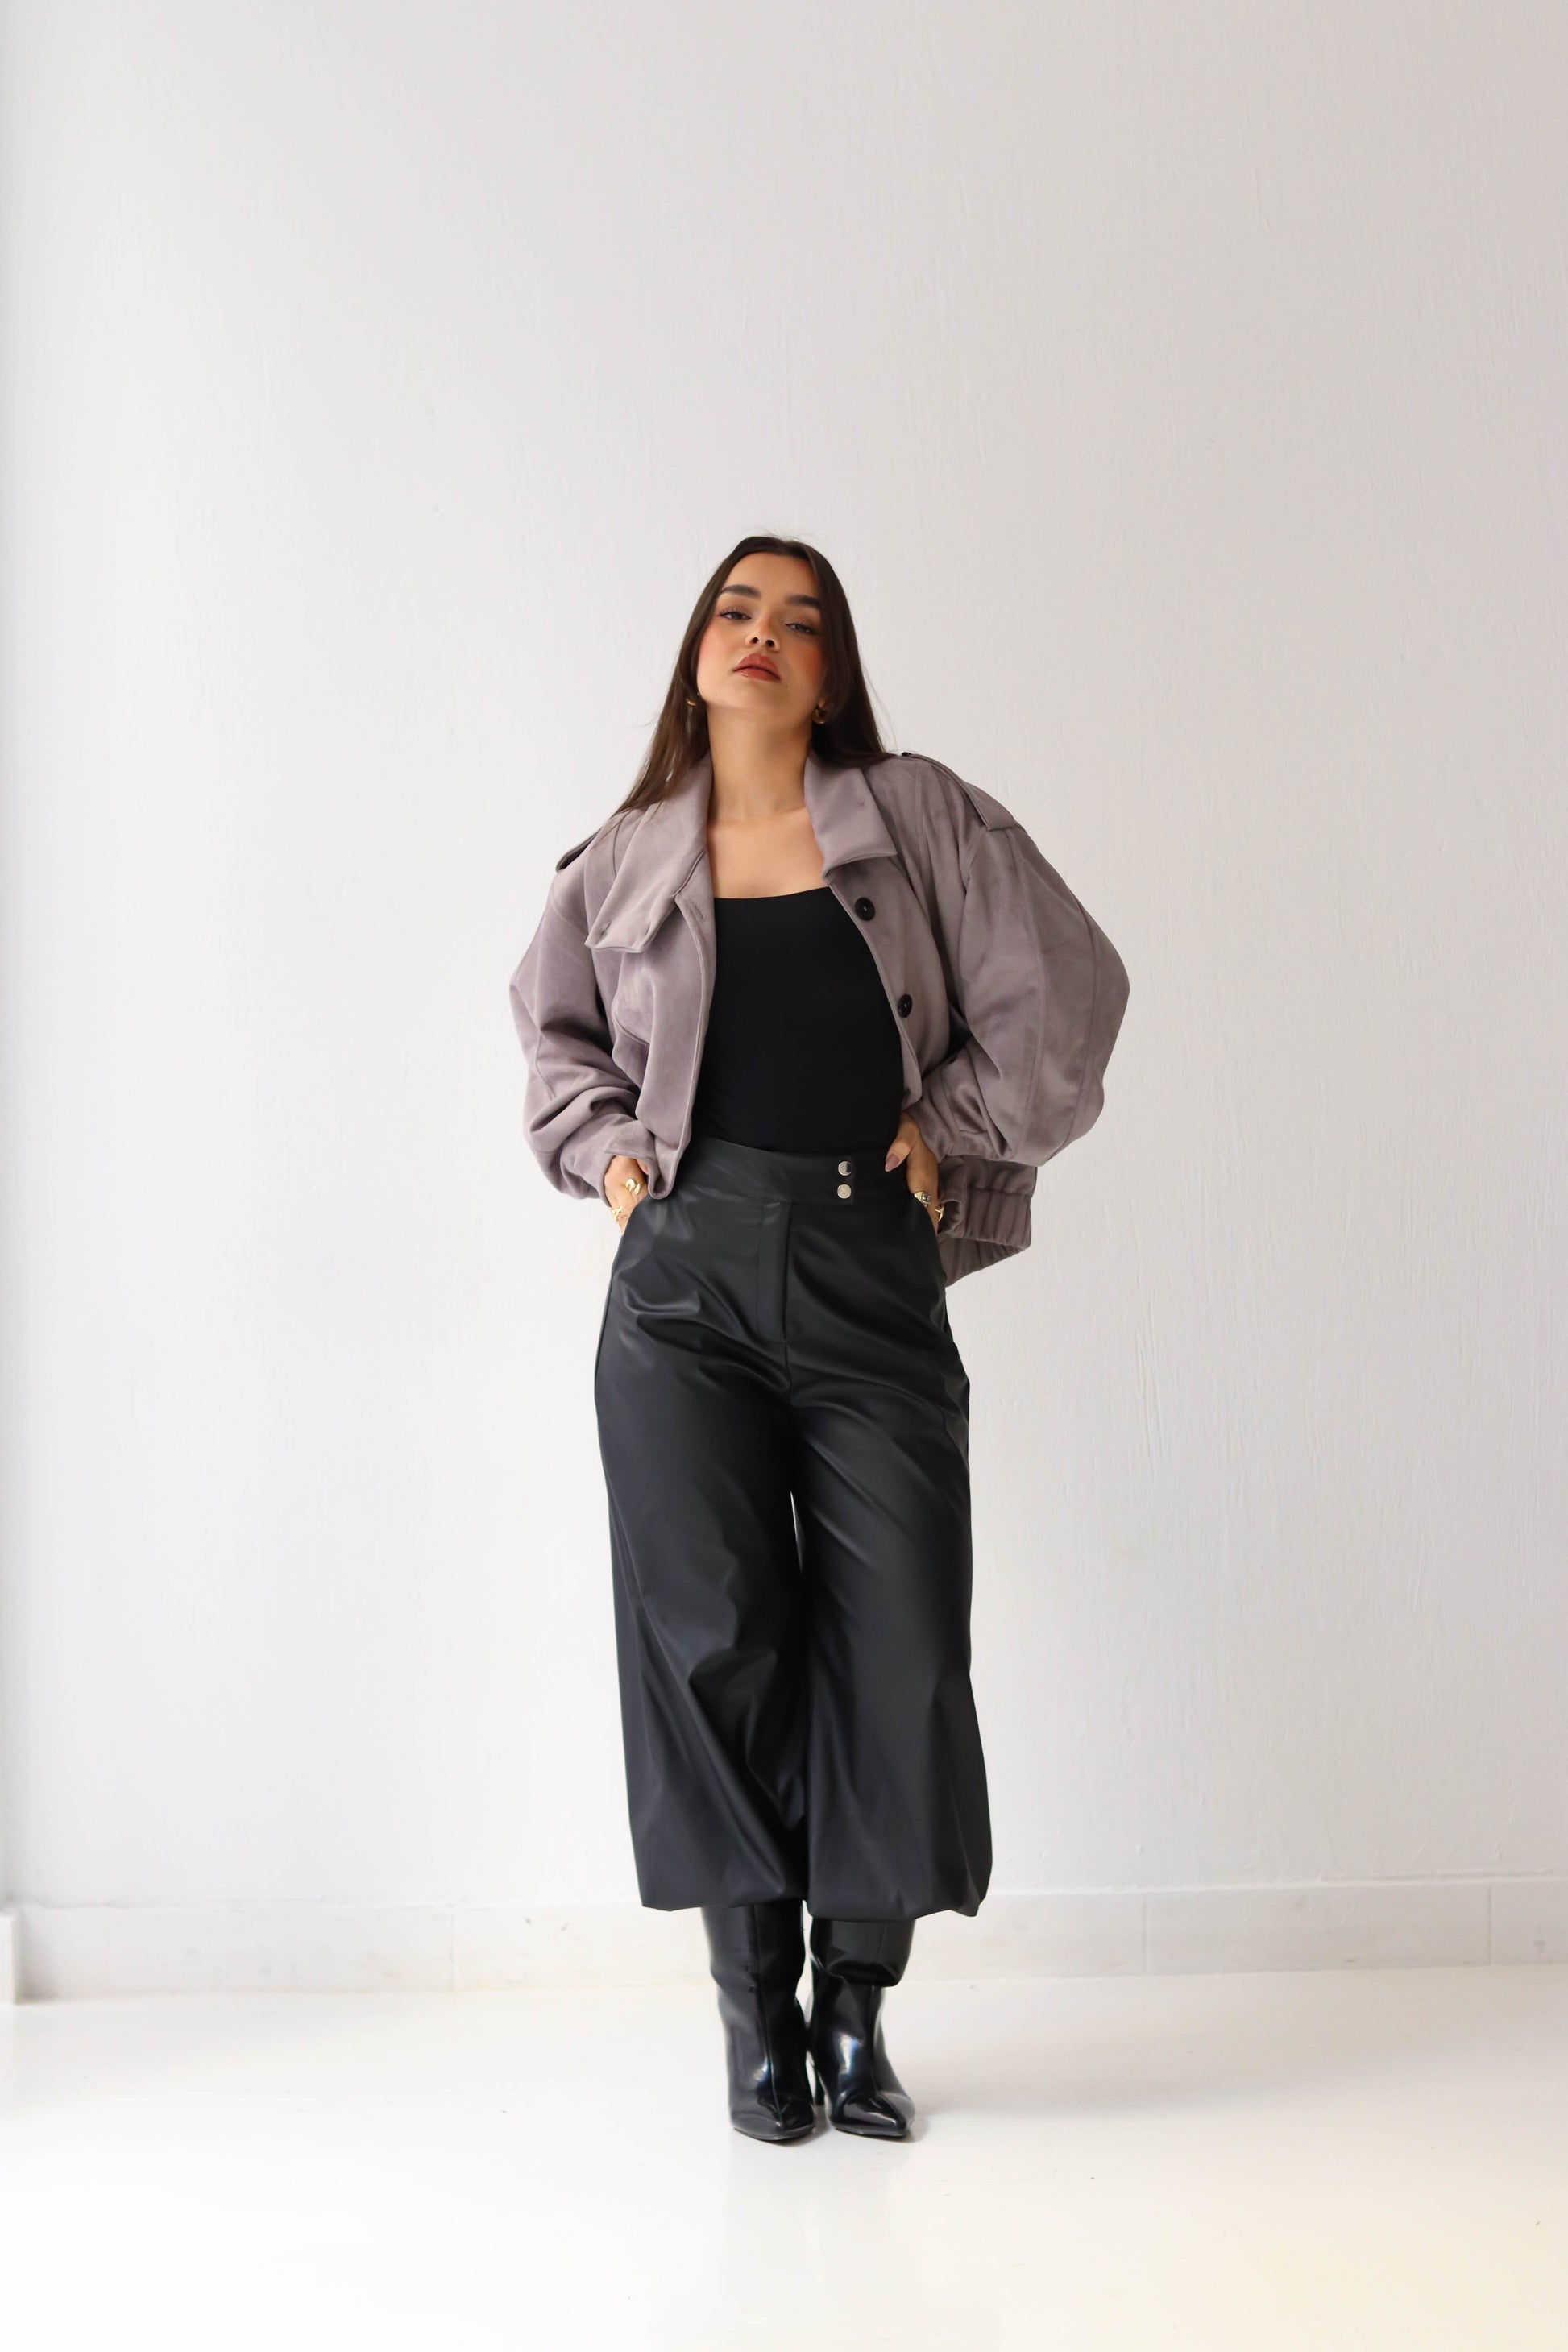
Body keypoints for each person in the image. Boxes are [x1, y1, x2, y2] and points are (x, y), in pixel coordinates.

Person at [509, 534, 1129, 2143]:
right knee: (712, 1640)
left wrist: (957, 1128)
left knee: (898, 1640)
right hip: (682, 1291)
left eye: (798, 620)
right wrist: (608, 1155)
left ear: (833, 669)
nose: (761, 636)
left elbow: (1067, 995)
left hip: (868, 1269)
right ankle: (756, 2014)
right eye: (736, 610)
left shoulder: (917, 817)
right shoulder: (622, 858)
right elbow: (554, 1036)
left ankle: (857, 2008)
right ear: (696, 650)